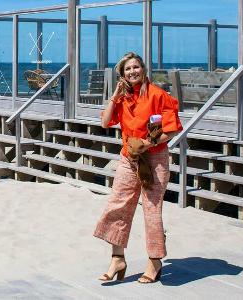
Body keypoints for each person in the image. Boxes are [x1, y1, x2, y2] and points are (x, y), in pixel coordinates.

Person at [93, 52, 183, 284]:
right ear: (123, 75)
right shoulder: (123, 98)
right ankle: (117, 258)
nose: (132, 71)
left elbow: (173, 130)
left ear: (143, 69)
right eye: (127, 69)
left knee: (152, 211)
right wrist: (115, 94)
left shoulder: (158, 95)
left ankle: (154, 261)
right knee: (117, 205)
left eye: (136, 67)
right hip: (128, 158)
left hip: (154, 159)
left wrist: (149, 142)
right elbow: (105, 123)